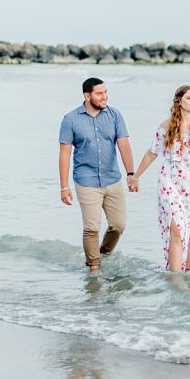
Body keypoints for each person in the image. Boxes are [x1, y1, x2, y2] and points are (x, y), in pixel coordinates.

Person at [131, 85, 190, 272]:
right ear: (179, 100)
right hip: (169, 183)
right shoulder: (166, 126)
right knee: (176, 229)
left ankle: (188, 277)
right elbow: (152, 153)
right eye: (189, 98)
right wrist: (135, 177)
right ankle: (175, 279)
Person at [59, 77, 137, 274]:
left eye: (106, 93)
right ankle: (94, 268)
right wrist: (64, 186)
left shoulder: (115, 115)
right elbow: (64, 154)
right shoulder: (70, 120)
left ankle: (103, 254)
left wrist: (131, 174)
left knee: (119, 225)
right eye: (99, 94)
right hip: (86, 181)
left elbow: (124, 146)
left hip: (113, 179)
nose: (105, 97)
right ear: (87, 96)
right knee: (91, 228)